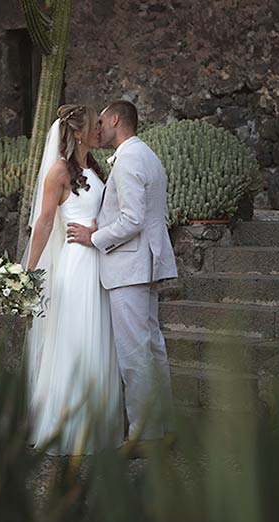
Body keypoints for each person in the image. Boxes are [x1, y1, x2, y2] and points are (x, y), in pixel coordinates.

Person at [67, 100, 178, 443]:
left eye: (101, 121)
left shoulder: (128, 159)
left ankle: (144, 435)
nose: (98, 128)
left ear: (116, 119)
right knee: (151, 347)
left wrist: (94, 236)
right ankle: (164, 427)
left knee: (133, 354)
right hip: (144, 262)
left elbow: (132, 218)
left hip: (128, 266)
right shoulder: (146, 154)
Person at [22, 104, 124, 455]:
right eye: (95, 125)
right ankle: (69, 426)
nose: (101, 129)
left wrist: (98, 229)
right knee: (77, 339)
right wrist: (28, 271)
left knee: (100, 339)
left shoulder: (94, 167)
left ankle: (98, 425)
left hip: (99, 259)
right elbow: (46, 223)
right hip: (77, 266)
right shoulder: (58, 172)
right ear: (78, 134)